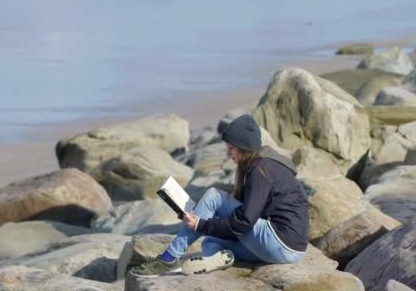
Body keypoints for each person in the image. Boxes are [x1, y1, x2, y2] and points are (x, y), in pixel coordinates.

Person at [130, 114, 309, 277]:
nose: (228, 153)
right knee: (210, 241)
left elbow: (245, 221)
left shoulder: (260, 170)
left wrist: (200, 223)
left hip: (279, 240)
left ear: (244, 148)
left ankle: (168, 258)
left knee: (214, 196)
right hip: (291, 250)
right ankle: (220, 259)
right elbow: (244, 212)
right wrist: (195, 217)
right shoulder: (268, 164)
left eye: (231, 148)